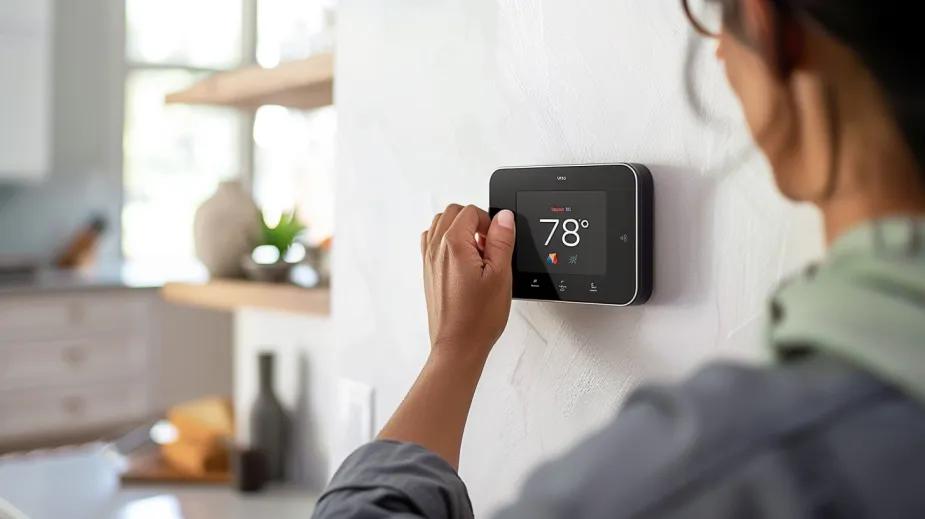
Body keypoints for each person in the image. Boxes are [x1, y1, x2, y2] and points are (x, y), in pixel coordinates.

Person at [314, 0, 925, 516]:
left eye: (715, 25)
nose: (717, 55)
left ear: (767, 31)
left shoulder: (699, 476)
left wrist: (452, 352)